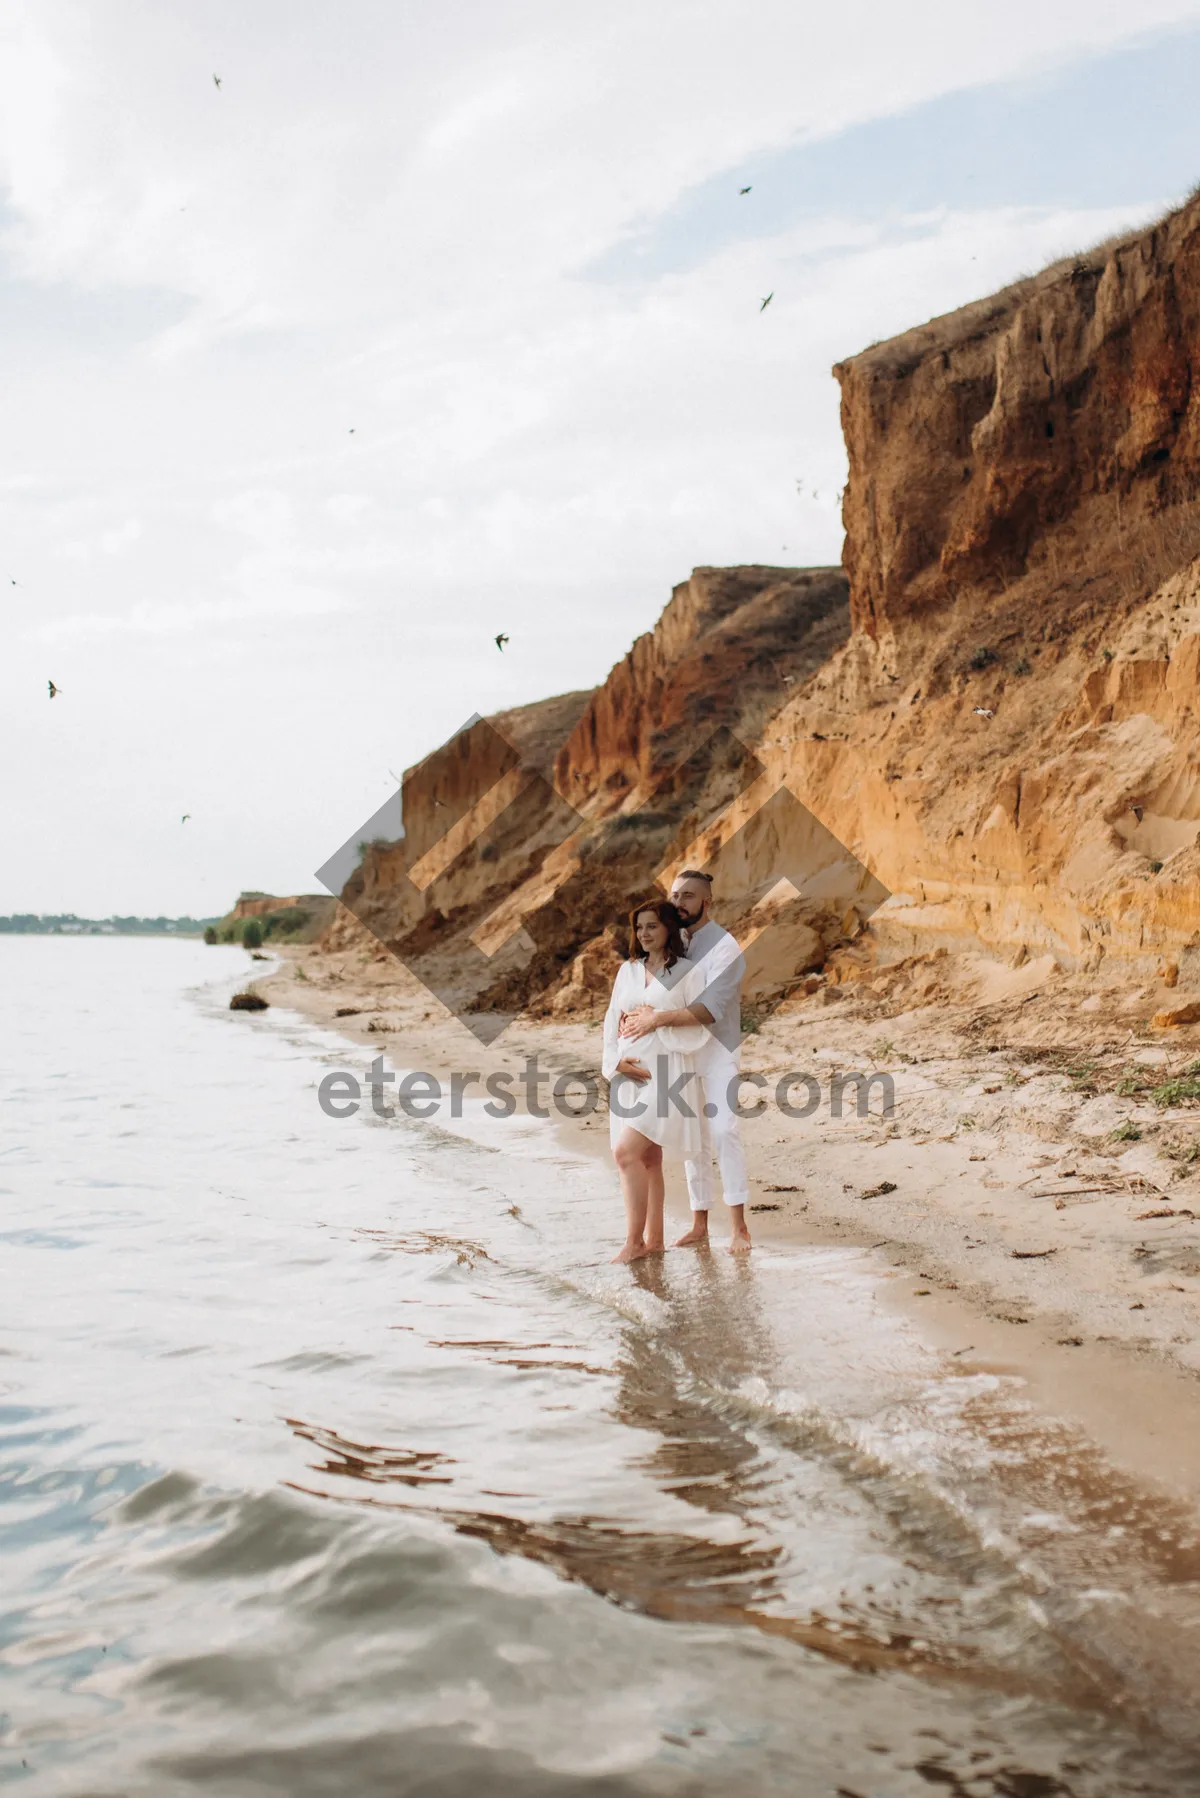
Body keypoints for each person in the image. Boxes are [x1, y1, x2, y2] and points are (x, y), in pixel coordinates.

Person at [619, 871, 751, 1253]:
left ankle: (739, 1228)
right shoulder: (671, 941)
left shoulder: (725, 947)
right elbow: (652, 990)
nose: (679, 902)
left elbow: (709, 1009)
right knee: (695, 1140)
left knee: (724, 1130)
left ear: (706, 902)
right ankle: (699, 1224)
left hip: (717, 1050)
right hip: (678, 1051)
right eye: (675, 894)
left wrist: (656, 1019)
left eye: (689, 896)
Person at [601, 900, 709, 1264]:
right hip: (629, 1075)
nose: (644, 934)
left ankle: (633, 1243)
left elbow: (700, 1019)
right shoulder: (628, 971)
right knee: (648, 1158)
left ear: (668, 928)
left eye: (652, 926)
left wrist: (657, 1019)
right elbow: (610, 1021)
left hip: (666, 1073)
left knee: (624, 1153)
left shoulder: (686, 971)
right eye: (639, 928)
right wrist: (615, 1063)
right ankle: (655, 1242)